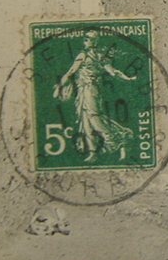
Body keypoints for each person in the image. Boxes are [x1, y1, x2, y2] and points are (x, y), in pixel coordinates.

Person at [55, 30, 136, 162]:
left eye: (88, 39)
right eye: (85, 39)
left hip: (91, 90)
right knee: (85, 120)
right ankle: (93, 152)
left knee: (94, 118)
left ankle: (121, 138)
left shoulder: (92, 56)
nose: (85, 41)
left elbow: (113, 72)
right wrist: (60, 86)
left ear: (94, 41)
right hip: (82, 91)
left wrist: (127, 78)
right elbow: (71, 72)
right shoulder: (90, 56)